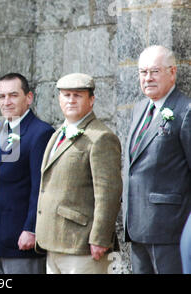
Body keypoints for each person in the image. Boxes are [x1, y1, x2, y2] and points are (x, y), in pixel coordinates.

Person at [35, 73, 122, 274]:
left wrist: (100, 238)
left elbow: (108, 193)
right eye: (66, 95)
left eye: (78, 95)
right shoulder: (57, 134)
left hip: (82, 244)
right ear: (59, 99)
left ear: (91, 100)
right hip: (53, 242)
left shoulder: (101, 137)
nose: (71, 100)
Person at [122, 45, 191, 274]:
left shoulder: (185, 111)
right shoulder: (140, 108)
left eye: (154, 71)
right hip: (136, 226)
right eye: (143, 72)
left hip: (170, 229)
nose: (148, 78)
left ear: (172, 73)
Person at [0, 73, 54, 274]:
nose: (6, 102)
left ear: (28, 98)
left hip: (21, 241)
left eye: (13, 95)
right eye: (2, 96)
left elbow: (41, 187)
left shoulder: (41, 133)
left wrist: (31, 229)